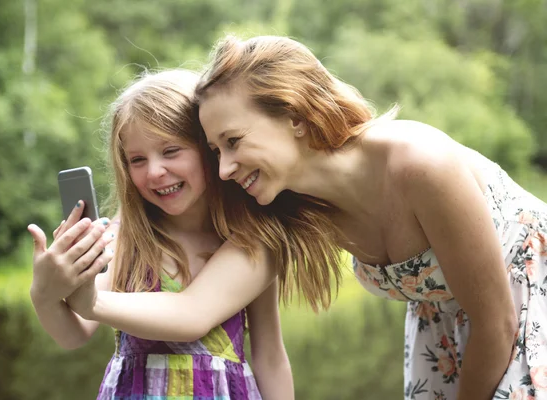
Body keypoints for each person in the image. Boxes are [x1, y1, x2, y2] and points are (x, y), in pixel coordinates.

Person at [194, 35, 547, 399]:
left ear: (294, 116)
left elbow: (497, 324)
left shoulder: (419, 164)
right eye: (216, 151)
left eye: (233, 141)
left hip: (528, 312)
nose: (223, 169)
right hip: (446, 342)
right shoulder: (295, 211)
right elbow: (195, 307)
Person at [27, 69, 294, 400]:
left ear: (210, 150)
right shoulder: (124, 237)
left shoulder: (253, 240)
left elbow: (268, 354)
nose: (154, 171)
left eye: (171, 151)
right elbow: (74, 332)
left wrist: (89, 302)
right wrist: (45, 293)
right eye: (137, 159)